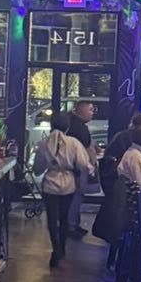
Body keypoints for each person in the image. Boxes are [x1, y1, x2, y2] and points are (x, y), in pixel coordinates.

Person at [33, 112, 96, 266]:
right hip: (68, 184)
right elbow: (83, 163)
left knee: (52, 219)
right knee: (64, 218)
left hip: (50, 184)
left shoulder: (44, 144)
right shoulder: (73, 143)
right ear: (67, 127)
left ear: (51, 125)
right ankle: (62, 247)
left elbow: (38, 169)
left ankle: (55, 248)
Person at [63, 100, 97, 237]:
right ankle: (71, 226)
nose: (92, 113)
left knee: (74, 197)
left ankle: (73, 224)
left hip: (71, 167)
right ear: (81, 111)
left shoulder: (72, 124)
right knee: (76, 196)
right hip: (77, 167)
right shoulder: (80, 127)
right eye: (90, 109)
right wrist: (92, 164)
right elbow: (85, 147)